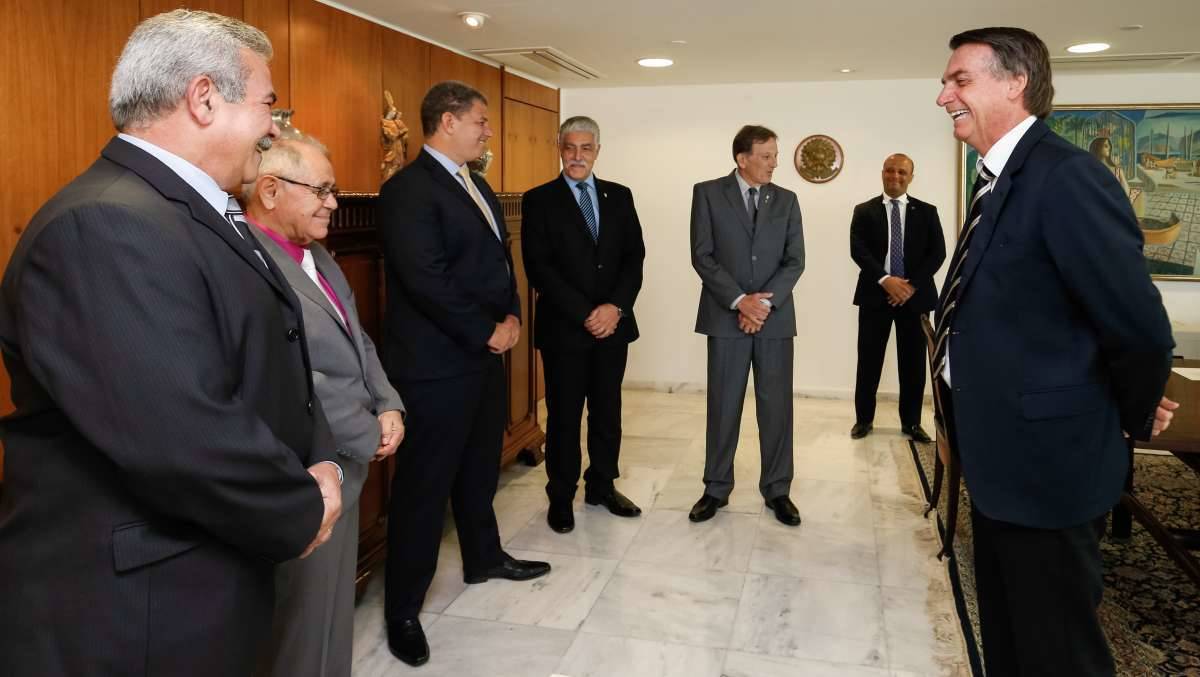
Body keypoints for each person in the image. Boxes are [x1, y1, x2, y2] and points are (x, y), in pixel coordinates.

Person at [0, 10, 343, 676]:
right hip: (141, 607)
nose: (275, 127)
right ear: (204, 98)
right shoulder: (104, 224)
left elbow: (276, 347)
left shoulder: (193, 210)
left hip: (205, 569)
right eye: (269, 104)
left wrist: (320, 455)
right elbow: (181, 431)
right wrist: (301, 507)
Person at [934, 26, 1178, 676]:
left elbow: (1138, 327)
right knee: (1011, 638)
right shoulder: (1000, 178)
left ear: (1015, 83)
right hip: (1001, 462)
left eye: (959, 80)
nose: (943, 96)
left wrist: (1126, 410)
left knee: (1057, 651)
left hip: (1047, 469)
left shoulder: (1066, 176)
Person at [378, 80, 550, 667]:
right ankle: (403, 610)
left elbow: (501, 261)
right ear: (447, 121)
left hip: (481, 359)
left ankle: (484, 558)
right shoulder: (407, 190)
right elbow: (425, 278)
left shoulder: (475, 183)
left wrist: (513, 315)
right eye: (481, 120)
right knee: (424, 490)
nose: (488, 130)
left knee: (479, 471)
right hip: (434, 367)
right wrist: (485, 329)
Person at [244, 134, 406, 677]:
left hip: (347, 461)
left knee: (332, 613)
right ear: (270, 190)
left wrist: (388, 403)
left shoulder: (319, 255)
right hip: (307, 468)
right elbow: (296, 375)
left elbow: (357, 338)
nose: (333, 203)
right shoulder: (248, 261)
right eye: (321, 191)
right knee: (301, 625)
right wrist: (364, 431)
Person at [521, 115, 647, 534]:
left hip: (614, 327)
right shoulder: (539, 200)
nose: (577, 156)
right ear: (559, 148)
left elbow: (634, 258)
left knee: (608, 412)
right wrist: (586, 313)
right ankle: (561, 496)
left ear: (597, 151)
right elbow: (539, 268)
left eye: (586, 148)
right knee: (564, 416)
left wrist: (615, 307)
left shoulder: (620, 196)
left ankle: (602, 487)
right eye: (570, 147)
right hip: (564, 330)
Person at [689, 125, 805, 526]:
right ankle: (715, 488)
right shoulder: (707, 193)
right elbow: (702, 256)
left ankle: (778, 490)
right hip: (725, 318)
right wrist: (741, 301)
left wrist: (761, 306)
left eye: (775, 155)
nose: (774, 163)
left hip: (774, 321)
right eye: (767, 156)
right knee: (723, 406)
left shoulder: (787, 200)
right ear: (743, 159)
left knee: (777, 408)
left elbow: (795, 260)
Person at [849, 153, 945, 442]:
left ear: (911, 177)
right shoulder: (864, 211)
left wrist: (909, 286)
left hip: (914, 299)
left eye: (902, 172)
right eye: (890, 170)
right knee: (868, 361)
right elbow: (859, 251)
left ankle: (912, 423)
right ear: (882, 173)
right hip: (874, 296)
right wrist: (886, 281)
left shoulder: (927, 212)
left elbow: (937, 253)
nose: (895, 176)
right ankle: (864, 420)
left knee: (913, 364)